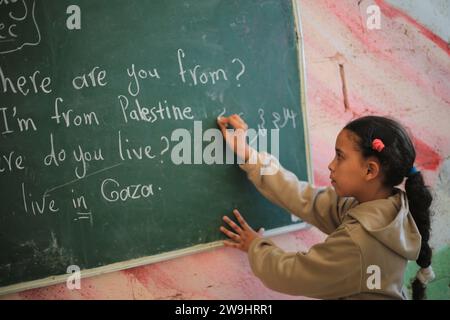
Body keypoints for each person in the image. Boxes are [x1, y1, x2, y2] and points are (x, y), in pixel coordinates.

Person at [217, 114, 434, 300]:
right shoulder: (386, 207)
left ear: (370, 170)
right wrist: (249, 156)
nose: (331, 165)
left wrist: (255, 245)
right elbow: (304, 198)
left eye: (340, 156)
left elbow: (291, 275)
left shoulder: (359, 240)